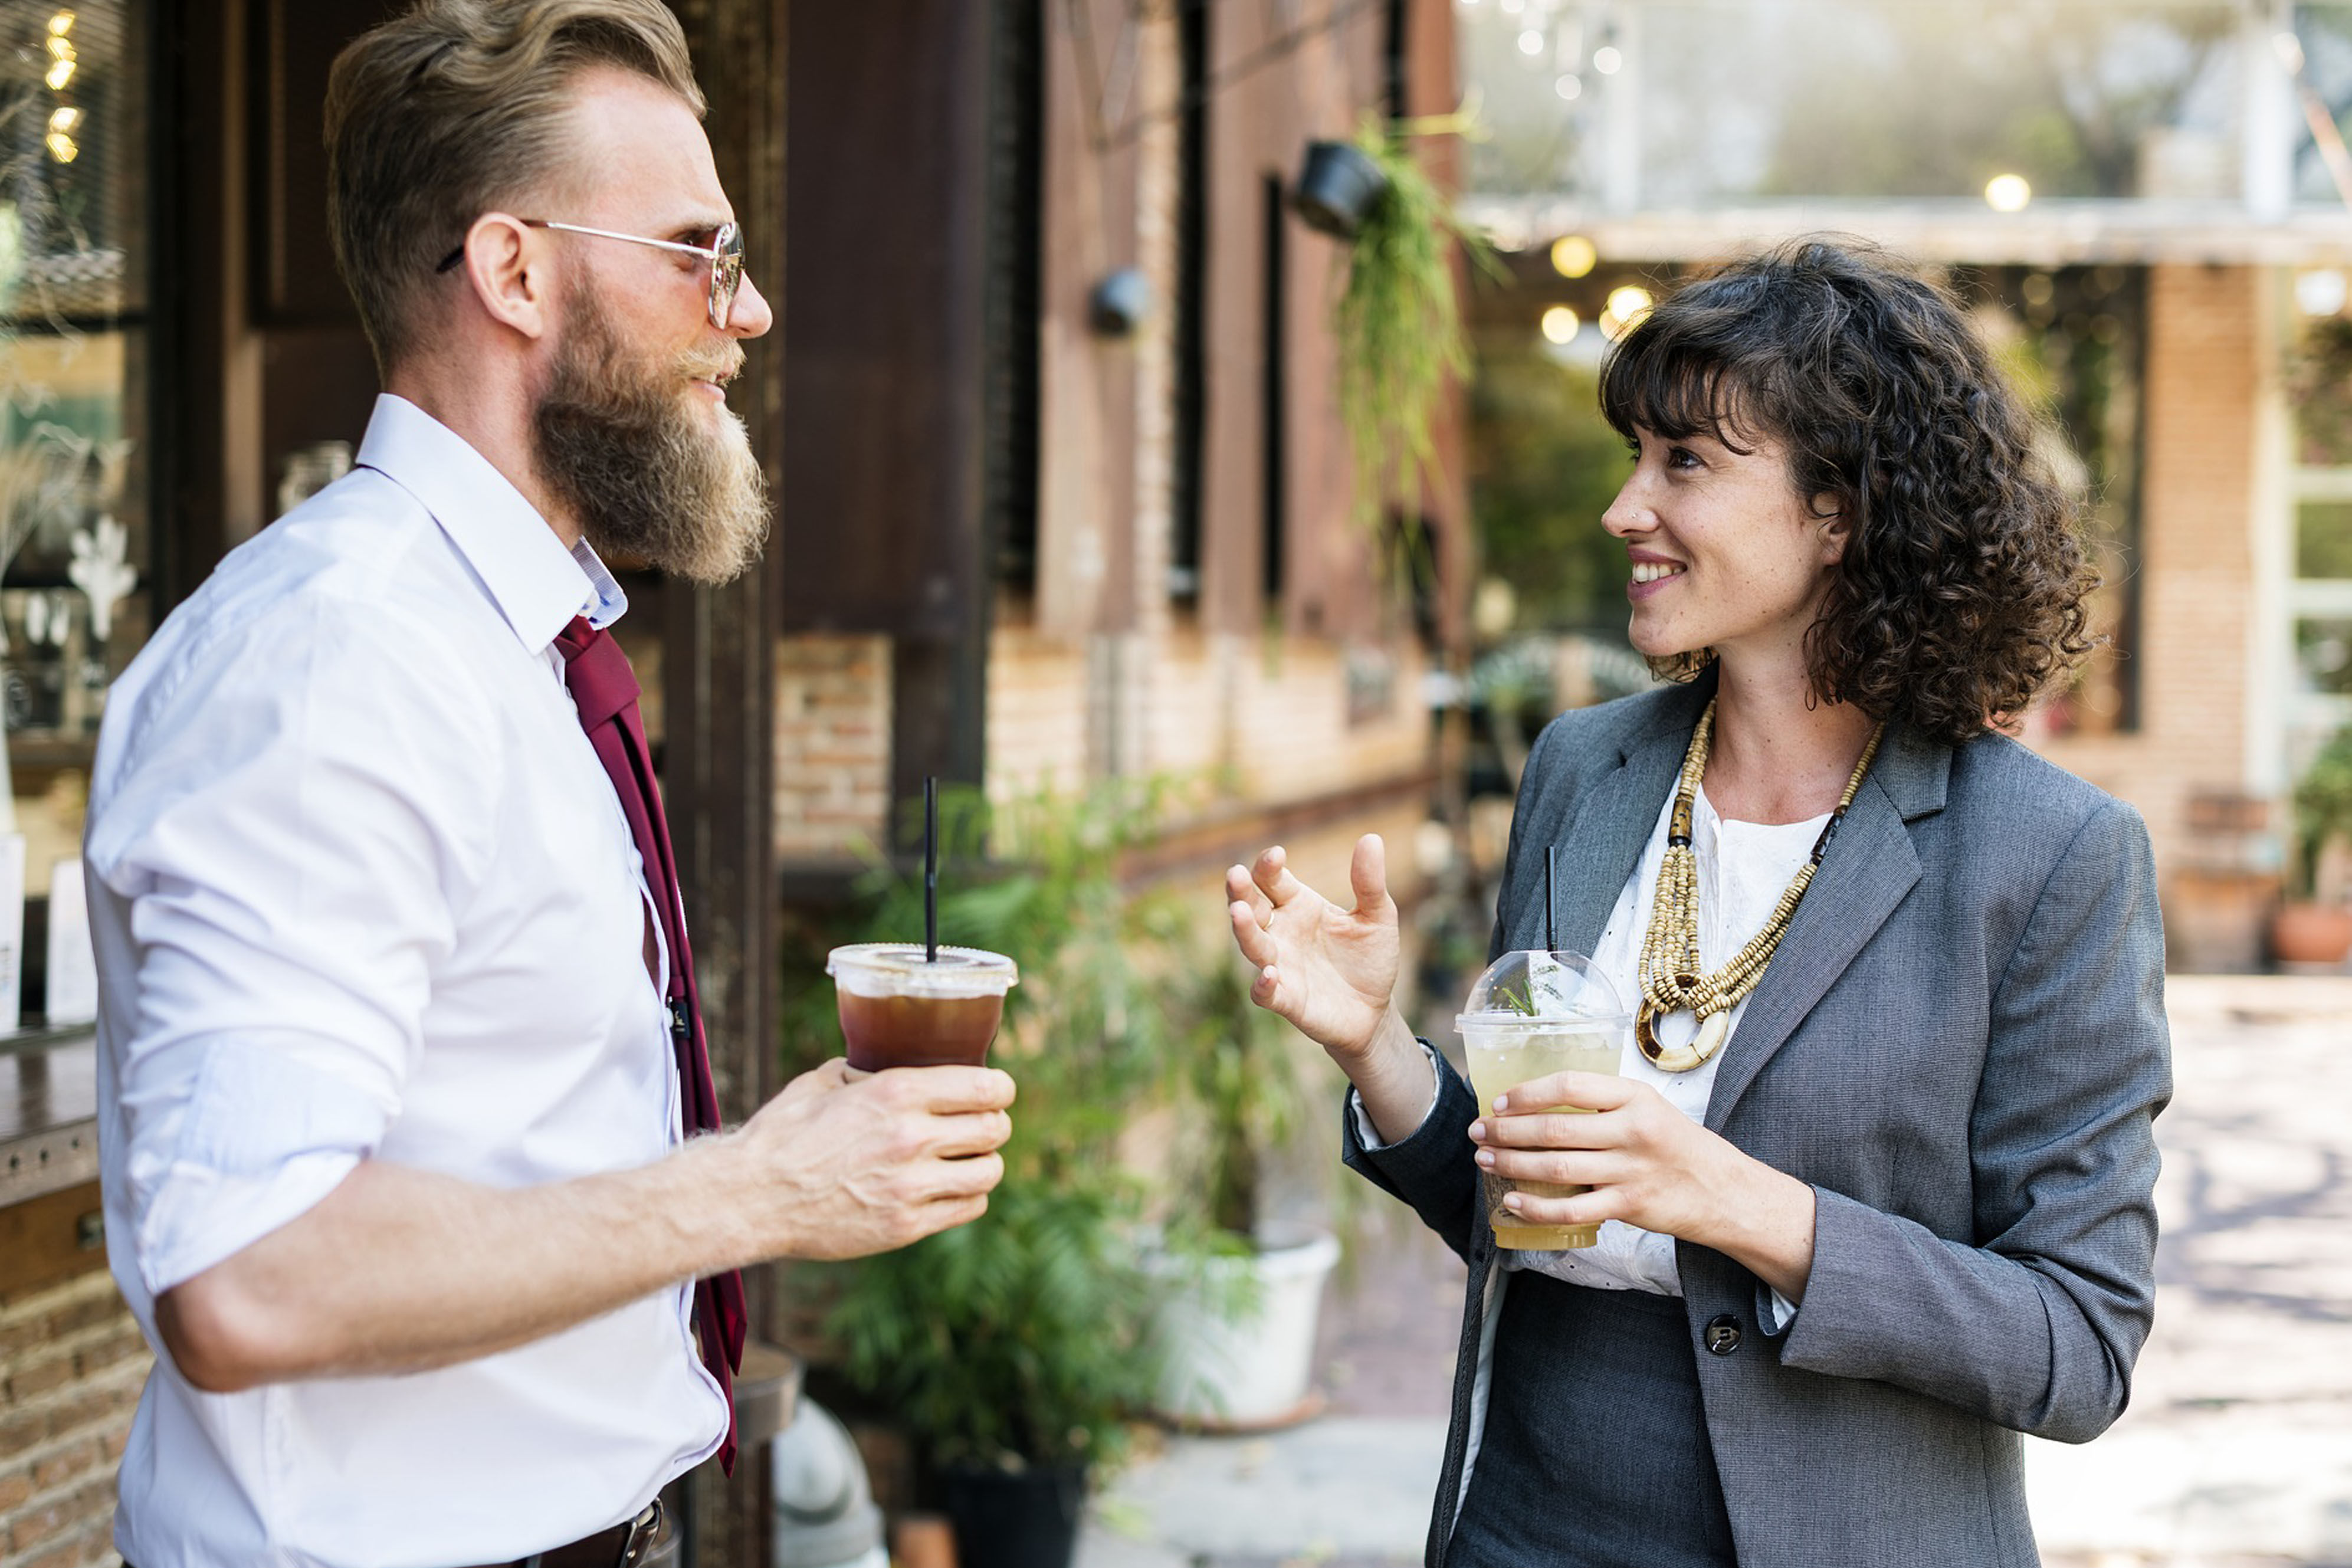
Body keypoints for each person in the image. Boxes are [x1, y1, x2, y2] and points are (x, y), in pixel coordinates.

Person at [85, 4, 1015, 1564]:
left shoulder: (510, 642)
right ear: (515, 271)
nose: (756, 310)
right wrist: (757, 1186)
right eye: (699, 255)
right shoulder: (340, 659)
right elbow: (249, 1275)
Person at [1227, 238, 2170, 1566]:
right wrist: (1372, 1043)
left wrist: (1727, 1199)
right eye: (1634, 459)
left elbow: (2074, 1345)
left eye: (1684, 464)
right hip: (1523, 1518)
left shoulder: (2051, 854)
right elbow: (1520, 1213)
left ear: (1838, 512)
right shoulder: (1582, 770)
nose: (1624, 509)